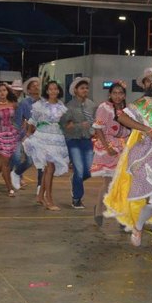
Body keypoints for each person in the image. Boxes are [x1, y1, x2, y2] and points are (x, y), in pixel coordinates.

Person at [103, 68, 152, 258]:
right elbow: (121, 116)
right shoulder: (145, 103)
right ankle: (138, 226)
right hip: (146, 155)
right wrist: (144, 128)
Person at [91, 81, 132, 226]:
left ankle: (121, 215)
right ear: (110, 94)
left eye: (120, 93)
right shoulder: (104, 108)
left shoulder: (127, 109)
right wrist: (108, 147)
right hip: (109, 147)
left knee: (123, 183)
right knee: (108, 183)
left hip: (124, 147)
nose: (117, 96)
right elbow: (99, 128)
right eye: (114, 93)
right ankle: (99, 209)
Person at [23, 81, 69, 210]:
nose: (53, 91)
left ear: (59, 91)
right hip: (42, 137)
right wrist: (28, 133)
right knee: (50, 167)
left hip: (56, 138)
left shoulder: (61, 105)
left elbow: (62, 122)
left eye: (55, 89)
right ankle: (49, 200)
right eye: (50, 89)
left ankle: (40, 196)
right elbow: (33, 120)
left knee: (49, 169)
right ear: (47, 91)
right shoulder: (40, 105)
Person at [60, 77, 97, 208]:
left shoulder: (92, 105)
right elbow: (64, 126)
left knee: (88, 171)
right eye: (82, 88)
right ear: (75, 90)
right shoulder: (69, 107)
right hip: (73, 140)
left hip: (87, 140)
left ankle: (75, 180)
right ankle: (77, 198)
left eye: (86, 88)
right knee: (80, 170)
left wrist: (93, 129)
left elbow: (95, 122)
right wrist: (79, 125)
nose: (85, 90)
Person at [10, 77, 43, 192]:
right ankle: (16, 172)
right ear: (28, 90)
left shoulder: (45, 102)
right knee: (29, 161)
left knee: (42, 163)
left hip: (43, 136)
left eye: (38, 85)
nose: (36, 87)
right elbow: (19, 121)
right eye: (33, 86)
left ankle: (40, 187)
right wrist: (20, 135)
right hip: (28, 136)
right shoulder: (24, 103)